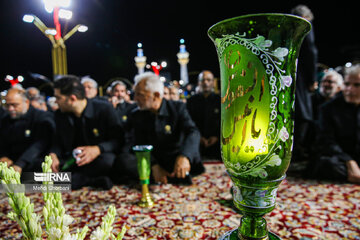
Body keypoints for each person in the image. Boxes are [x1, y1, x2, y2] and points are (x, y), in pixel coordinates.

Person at [118, 72, 204, 184]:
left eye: (140, 95)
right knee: (124, 160)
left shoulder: (177, 108)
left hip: (175, 156)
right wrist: (153, 165)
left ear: (156, 95)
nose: (135, 99)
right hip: (153, 157)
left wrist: (185, 156)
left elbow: (193, 132)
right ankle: (161, 175)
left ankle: (168, 175)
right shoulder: (137, 114)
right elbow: (137, 143)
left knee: (191, 153)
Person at [49, 75, 123, 190]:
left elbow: (118, 140)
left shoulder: (104, 109)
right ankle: (88, 181)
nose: (56, 102)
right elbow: (57, 140)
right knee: (40, 164)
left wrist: (97, 149)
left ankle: (73, 181)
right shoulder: (60, 114)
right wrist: (53, 155)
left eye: (58, 98)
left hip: (97, 160)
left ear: (72, 99)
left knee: (108, 161)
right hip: (72, 160)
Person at [307, 65, 360, 183]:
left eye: (357, 85)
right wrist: (349, 162)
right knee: (327, 164)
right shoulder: (327, 109)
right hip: (340, 159)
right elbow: (326, 141)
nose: (350, 90)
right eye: (347, 84)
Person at [0, 88, 55, 174]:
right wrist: (4, 156)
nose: (10, 109)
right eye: (7, 105)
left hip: (34, 165)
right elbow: (3, 141)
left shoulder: (41, 117)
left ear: (26, 102)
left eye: (15, 105)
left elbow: (40, 144)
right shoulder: (5, 120)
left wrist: (21, 163)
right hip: (11, 164)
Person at [291, 5, 318, 162]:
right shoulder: (305, 26)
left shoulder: (286, 29)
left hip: (287, 74)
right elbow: (311, 51)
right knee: (303, 115)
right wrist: (312, 79)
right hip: (300, 77)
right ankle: (297, 153)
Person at [186, 70, 221, 159]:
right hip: (196, 146)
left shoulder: (220, 101)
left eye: (209, 80)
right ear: (199, 83)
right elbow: (187, 122)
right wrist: (198, 137)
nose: (205, 82)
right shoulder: (191, 101)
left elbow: (226, 122)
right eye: (203, 80)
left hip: (217, 147)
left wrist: (216, 136)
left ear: (213, 82)